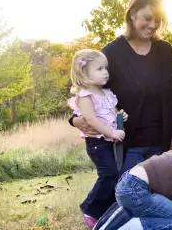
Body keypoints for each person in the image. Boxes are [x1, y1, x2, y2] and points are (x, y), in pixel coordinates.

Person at [72, 0, 172, 171]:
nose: (153, 24)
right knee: (129, 197)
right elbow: (89, 88)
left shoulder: (166, 51)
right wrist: (75, 119)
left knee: (162, 197)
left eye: (158, 20)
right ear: (132, 14)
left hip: (163, 145)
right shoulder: (112, 54)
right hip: (129, 147)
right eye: (147, 18)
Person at [67, 49, 128, 228]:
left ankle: (105, 210)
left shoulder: (107, 93)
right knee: (108, 173)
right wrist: (113, 133)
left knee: (115, 175)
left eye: (106, 68)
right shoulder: (85, 96)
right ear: (84, 73)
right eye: (99, 69)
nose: (106, 72)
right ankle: (90, 208)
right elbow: (91, 120)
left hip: (109, 141)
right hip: (97, 143)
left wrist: (121, 116)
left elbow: (112, 113)